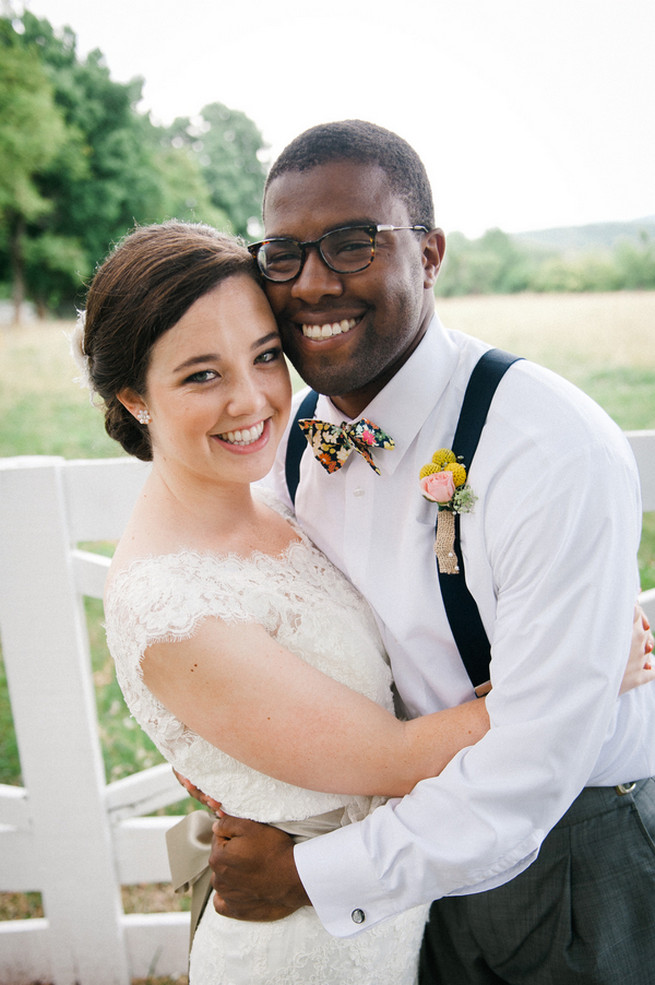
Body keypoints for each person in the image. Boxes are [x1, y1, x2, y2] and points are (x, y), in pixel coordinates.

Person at [202, 120, 655, 985]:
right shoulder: (291, 443)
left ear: (430, 253)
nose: (313, 283)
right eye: (284, 254)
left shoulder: (547, 445)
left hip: (571, 854)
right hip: (396, 862)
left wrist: (307, 875)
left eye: (351, 243)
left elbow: (534, 761)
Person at [75, 219, 519, 985]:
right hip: (304, 950)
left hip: (385, 915)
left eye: (266, 356)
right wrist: (575, 664)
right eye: (200, 375)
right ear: (132, 397)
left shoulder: (278, 501)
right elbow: (394, 756)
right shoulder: (172, 606)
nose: (252, 399)